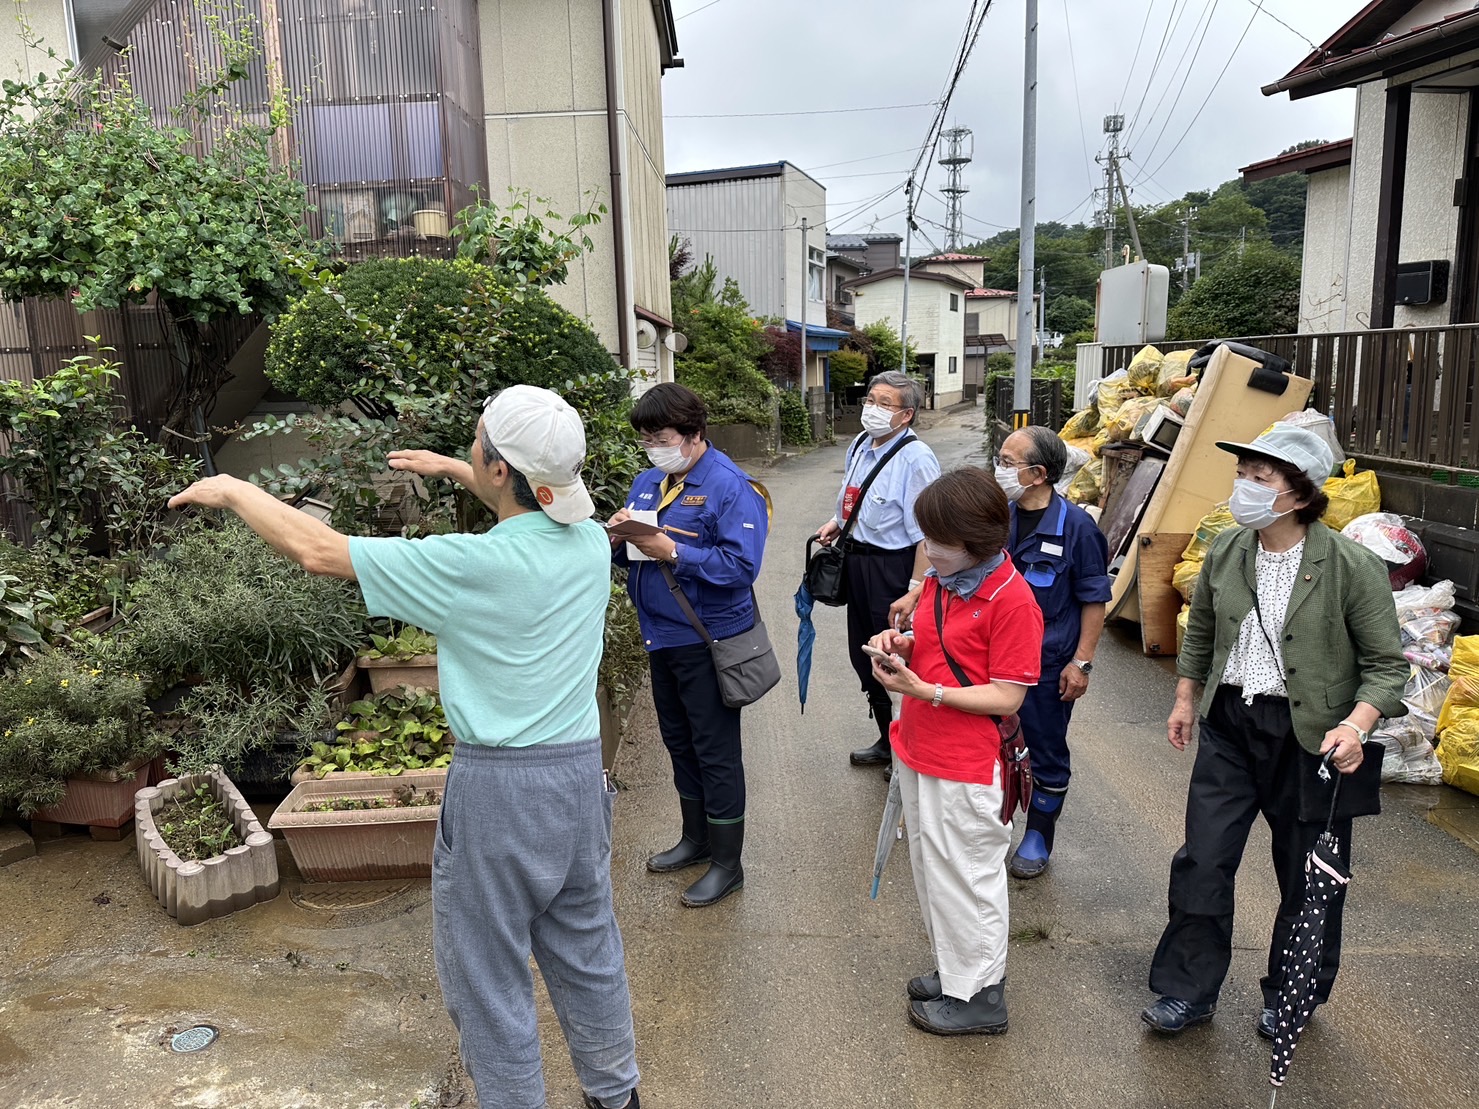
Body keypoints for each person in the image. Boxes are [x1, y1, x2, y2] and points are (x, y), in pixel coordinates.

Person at [169, 386, 641, 1109]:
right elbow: (528, 498)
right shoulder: (586, 545)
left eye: (478, 441)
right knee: (587, 951)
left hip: (499, 794)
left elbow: (317, 550)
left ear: (499, 471)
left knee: (487, 976)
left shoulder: (468, 567)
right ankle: (618, 1095)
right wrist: (456, 468)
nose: (473, 447)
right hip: (577, 779)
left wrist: (233, 487)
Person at [1142, 424, 1406, 1039]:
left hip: (1312, 736)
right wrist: (1187, 696)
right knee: (1203, 859)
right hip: (1232, 723)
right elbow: (1201, 625)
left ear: (1299, 493)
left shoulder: (1349, 565)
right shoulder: (1229, 550)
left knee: (1306, 871)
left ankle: (1294, 994)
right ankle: (1187, 990)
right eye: (1243, 475)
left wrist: (1356, 725)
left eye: (1261, 479)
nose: (1245, 488)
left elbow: (1387, 665)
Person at [866, 467, 1044, 1035]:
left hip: (967, 762)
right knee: (934, 872)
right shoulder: (945, 581)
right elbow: (942, 643)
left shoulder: (1013, 601)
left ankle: (982, 997)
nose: (927, 550)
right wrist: (905, 644)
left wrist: (926, 690)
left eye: (937, 541)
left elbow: (1007, 693)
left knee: (969, 877)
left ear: (975, 541)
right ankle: (957, 971)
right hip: (921, 746)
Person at [888, 427, 1111, 879]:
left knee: (1045, 748)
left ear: (1038, 474)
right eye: (1000, 457)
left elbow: (1093, 599)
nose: (1000, 467)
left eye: (1009, 462)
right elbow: (949, 566)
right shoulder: (994, 517)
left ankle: (1040, 831)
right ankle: (997, 816)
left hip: (1046, 666)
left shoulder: (1077, 528)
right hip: (982, 662)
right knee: (994, 743)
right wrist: (915, 595)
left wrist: (1081, 661)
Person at [608, 383, 769, 909]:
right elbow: (636, 555)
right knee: (679, 742)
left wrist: (671, 549)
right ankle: (696, 839)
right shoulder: (649, 482)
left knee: (715, 751)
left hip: (708, 637)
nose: (653, 446)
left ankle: (728, 862)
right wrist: (619, 542)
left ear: (695, 435)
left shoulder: (730, 486)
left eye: (661, 436)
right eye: (646, 438)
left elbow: (742, 568)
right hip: (661, 636)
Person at [814, 370, 940, 772]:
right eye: (871, 400)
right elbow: (855, 497)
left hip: (894, 567)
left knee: (897, 656)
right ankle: (888, 739)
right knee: (863, 653)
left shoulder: (917, 459)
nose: (873, 409)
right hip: (857, 560)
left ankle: (912, 747)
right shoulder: (860, 443)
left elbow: (928, 534)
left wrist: (915, 588)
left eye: (885, 404)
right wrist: (838, 522)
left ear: (906, 416)